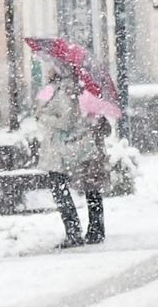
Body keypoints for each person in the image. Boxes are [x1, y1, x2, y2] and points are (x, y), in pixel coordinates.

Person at [35, 63, 110, 249]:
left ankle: (77, 231)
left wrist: (42, 116)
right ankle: (89, 230)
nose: (48, 70)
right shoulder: (63, 90)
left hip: (63, 150)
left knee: (68, 189)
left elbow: (66, 121)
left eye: (51, 67)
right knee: (85, 188)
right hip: (69, 148)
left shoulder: (66, 92)